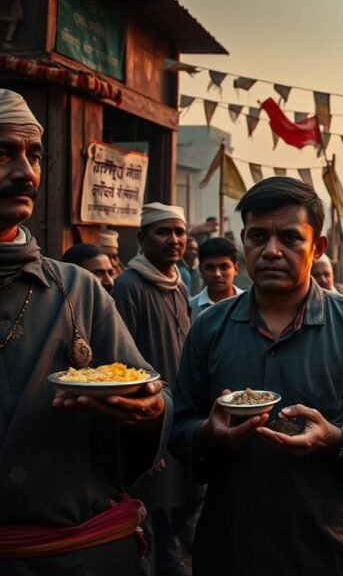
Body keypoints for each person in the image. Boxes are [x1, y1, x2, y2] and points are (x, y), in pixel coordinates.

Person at [170, 177, 343, 575]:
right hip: (233, 547)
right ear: (244, 241)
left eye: (289, 237)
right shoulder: (209, 328)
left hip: (330, 549)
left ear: (317, 246)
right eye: (257, 237)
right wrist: (207, 434)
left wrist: (336, 438)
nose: (271, 251)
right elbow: (179, 428)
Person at [0, 88, 171, 574]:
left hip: (82, 556)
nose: (25, 173)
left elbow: (150, 395)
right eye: (3, 153)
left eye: (34, 155)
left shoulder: (77, 289)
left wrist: (150, 411)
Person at [112, 202, 191, 576]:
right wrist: (147, 437)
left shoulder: (179, 284)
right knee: (150, 518)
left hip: (177, 416)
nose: (174, 239)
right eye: (164, 232)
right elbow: (123, 368)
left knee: (177, 506)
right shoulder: (129, 287)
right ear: (142, 238)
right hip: (151, 422)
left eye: (179, 231)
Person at [189, 237, 244, 319]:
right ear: (200, 270)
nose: (217, 274)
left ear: (236, 268)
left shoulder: (249, 303)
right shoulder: (190, 308)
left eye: (224, 267)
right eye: (210, 267)